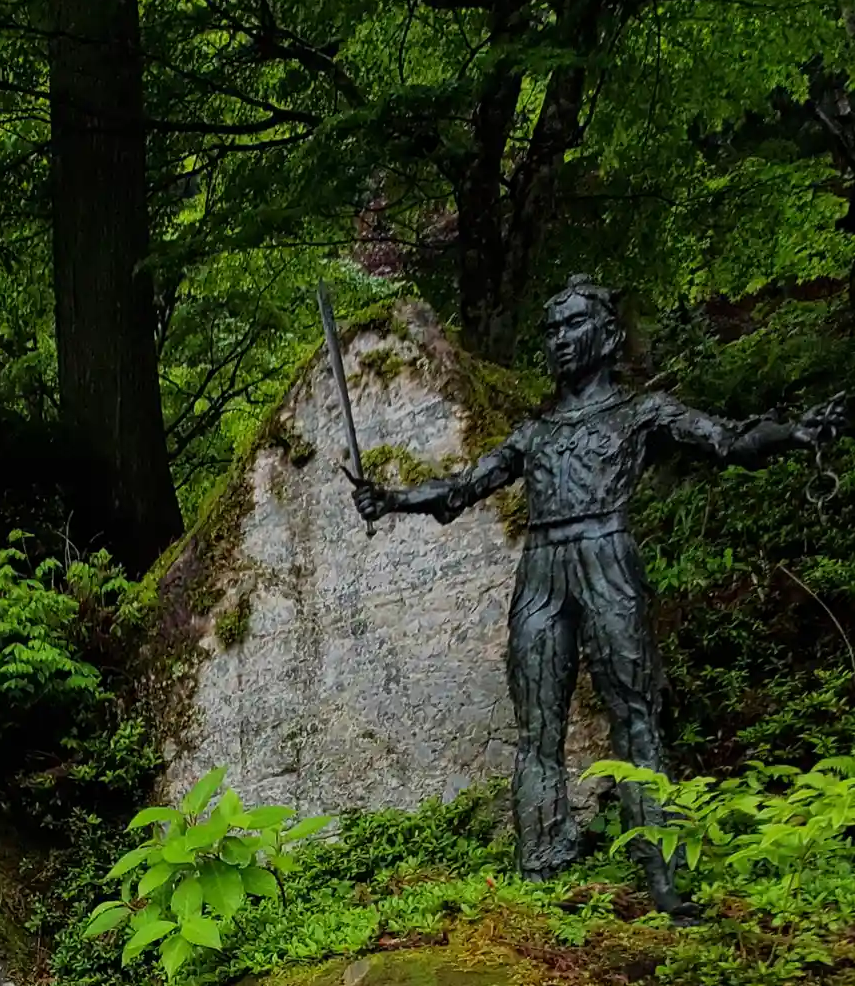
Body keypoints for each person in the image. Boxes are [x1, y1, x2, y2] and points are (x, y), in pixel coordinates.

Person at [351, 277, 846, 909]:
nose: (559, 339)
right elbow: (462, 488)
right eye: (551, 330)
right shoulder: (535, 433)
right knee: (537, 727)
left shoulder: (642, 412)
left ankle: (665, 881)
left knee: (635, 715)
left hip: (608, 557)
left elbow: (727, 439)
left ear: (607, 335)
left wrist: (797, 432)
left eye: (573, 325)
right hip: (540, 570)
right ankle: (540, 873)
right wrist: (393, 498)